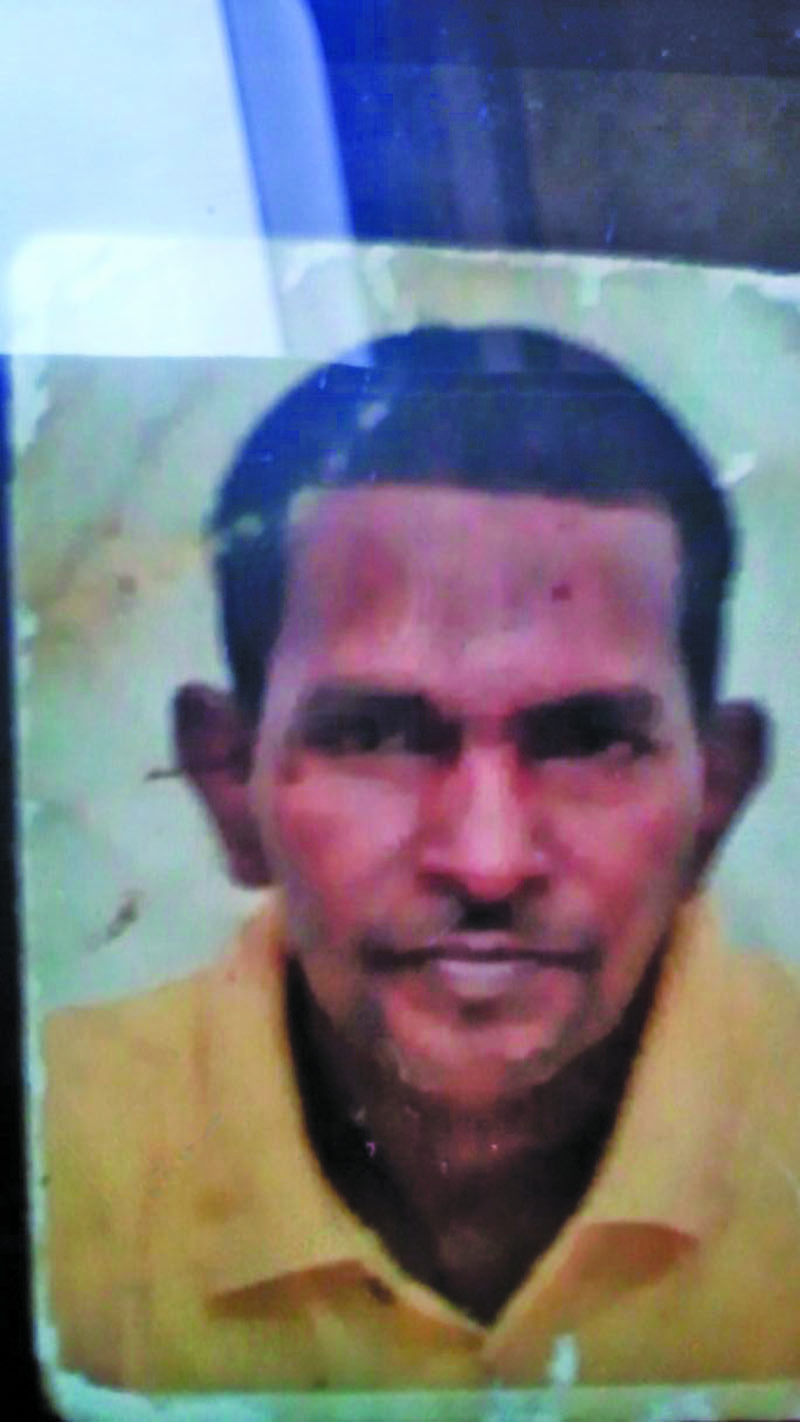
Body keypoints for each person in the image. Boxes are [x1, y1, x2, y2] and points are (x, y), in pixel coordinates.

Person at [43, 325, 800, 1393]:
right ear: (226, 781)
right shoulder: (60, 1149)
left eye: (589, 741)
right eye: (374, 736)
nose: (488, 863)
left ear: (714, 795)